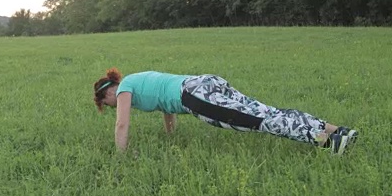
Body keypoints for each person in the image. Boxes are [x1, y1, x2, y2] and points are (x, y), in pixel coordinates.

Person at [93, 68, 358, 154]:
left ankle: (328, 141)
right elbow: (166, 105)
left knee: (260, 122)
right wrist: (170, 135)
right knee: (267, 111)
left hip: (195, 96)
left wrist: (120, 156)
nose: (113, 106)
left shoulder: (125, 88)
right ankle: (339, 131)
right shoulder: (140, 79)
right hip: (205, 82)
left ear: (108, 93)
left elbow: (121, 125)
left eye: (108, 104)